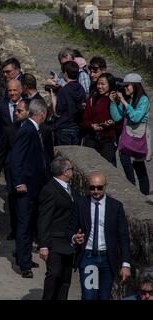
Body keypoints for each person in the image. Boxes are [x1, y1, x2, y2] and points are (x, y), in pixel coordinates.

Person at [67, 171, 131, 300]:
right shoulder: (80, 204)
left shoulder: (115, 206)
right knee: (89, 296)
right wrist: (75, 237)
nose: (95, 191)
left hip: (108, 259)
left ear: (105, 186)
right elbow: (70, 229)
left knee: (104, 296)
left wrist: (125, 264)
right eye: (92, 188)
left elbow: (123, 236)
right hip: (89, 257)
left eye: (99, 188)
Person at [9, 99, 50, 278]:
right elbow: (16, 158)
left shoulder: (34, 129)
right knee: (24, 225)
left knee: (31, 223)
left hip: (35, 186)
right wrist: (18, 182)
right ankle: (24, 264)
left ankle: (24, 256)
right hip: (25, 187)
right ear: (42, 114)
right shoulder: (27, 130)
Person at [0, 99, 29, 240]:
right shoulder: (10, 130)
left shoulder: (39, 129)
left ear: (28, 112)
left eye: (19, 111)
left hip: (30, 173)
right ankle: (15, 230)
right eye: (16, 110)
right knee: (13, 203)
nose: (16, 113)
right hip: (13, 172)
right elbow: (2, 153)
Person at [38, 157, 75, 300]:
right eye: (71, 169)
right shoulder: (50, 189)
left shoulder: (67, 187)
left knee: (66, 279)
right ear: (65, 172)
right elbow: (43, 219)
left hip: (67, 241)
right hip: (54, 241)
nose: (72, 171)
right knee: (54, 275)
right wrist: (43, 246)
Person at [109, 73, 150, 195]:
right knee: (124, 159)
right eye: (124, 86)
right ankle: (131, 189)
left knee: (139, 166)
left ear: (135, 86)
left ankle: (144, 195)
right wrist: (112, 103)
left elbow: (136, 117)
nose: (125, 88)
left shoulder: (143, 100)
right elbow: (117, 117)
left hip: (138, 137)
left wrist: (124, 102)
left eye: (127, 86)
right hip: (127, 138)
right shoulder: (127, 99)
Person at [82, 73, 117, 164]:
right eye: (98, 84)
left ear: (110, 85)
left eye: (103, 84)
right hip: (92, 138)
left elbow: (119, 120)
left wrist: (110, 123)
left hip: (107, 140)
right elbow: (85, 120)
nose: (100, 86)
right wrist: (92, 126)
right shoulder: (93, 98)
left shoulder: (116, 100)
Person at [50, 60, 86, 146]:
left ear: (65, 73)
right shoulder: (81, 89)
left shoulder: (64, 90)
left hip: (63, 128)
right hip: (77, 127)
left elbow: (57, 112)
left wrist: (53, 96)